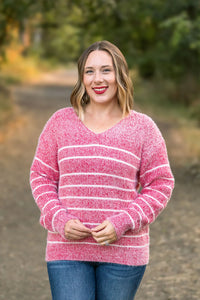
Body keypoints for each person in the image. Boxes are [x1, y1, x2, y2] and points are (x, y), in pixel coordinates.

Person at [30, 40, 174, 300]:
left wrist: (122, 222)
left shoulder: (143, 128)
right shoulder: (60, 122)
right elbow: (42, 176)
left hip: (125, 252)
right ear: (82, 78)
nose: (98, 79)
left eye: (106, 70)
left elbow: (160, 184)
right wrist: (58, 219)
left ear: (120, 74)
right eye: (90, 71)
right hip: (67, 249)